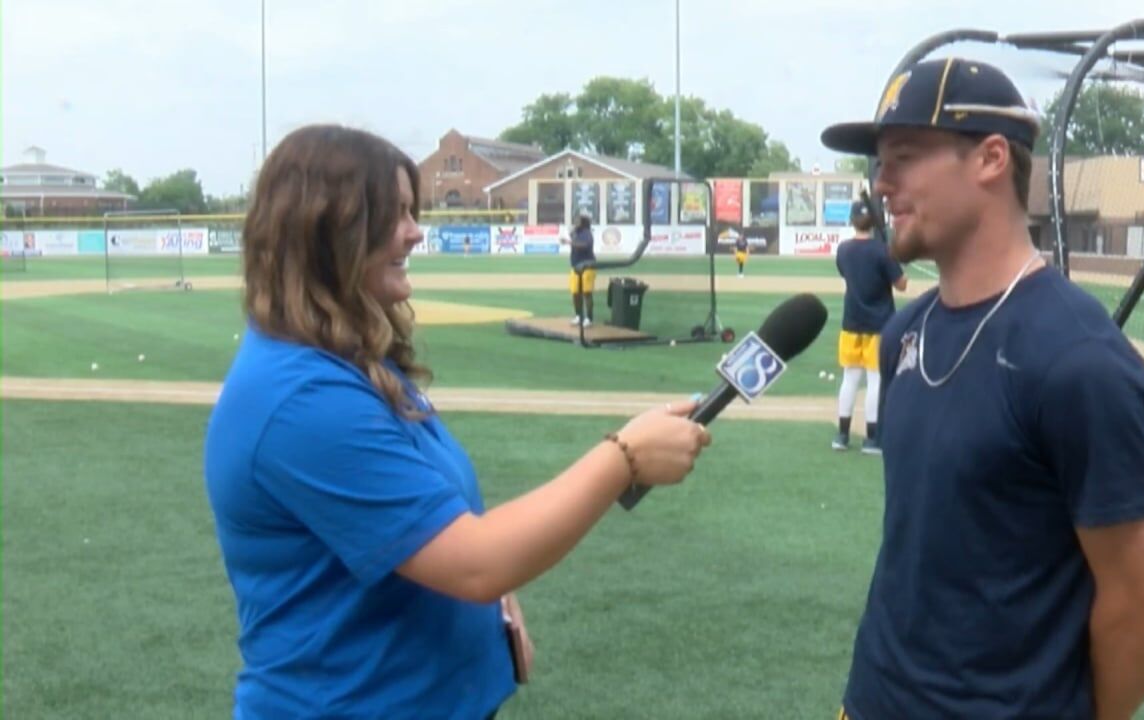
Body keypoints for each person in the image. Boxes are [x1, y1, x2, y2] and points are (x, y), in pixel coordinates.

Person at [203, 125, 711, 719]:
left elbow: (431, 524)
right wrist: (622, 458)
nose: (415, 231)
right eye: (393, 215)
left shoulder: (347, 363)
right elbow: (474, 560)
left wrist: (492, 600)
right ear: (328, 232)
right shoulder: (302, 400)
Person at [820, 58, 1144, 719]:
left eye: (903, 157)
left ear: (989, 159)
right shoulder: (904, 334)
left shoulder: (1078, 359)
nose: (881, 183)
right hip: (871, 701)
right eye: (878, 163)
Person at [832, 200, 906, 453]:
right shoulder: (882, 251)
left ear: (852, 221)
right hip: (880, 324)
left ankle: (842, 435)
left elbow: (845, 273)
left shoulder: (844, 250)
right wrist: (892, 255)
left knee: (850, 379)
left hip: (851, 322)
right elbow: (902, 284)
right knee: (875, 381)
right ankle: (872, 438)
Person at [568, 211, 596, 326]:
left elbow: (585, 245)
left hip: (587, 265)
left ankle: (589, 318)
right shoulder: (576, 232)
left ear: (583, 222)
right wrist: (572, 233)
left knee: (586, 293)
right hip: (575, 265)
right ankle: (579, 316)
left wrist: (570, 242)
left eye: (577, 220)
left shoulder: (587, 233)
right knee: (575, 293)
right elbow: (573, 238)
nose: (575, 222)